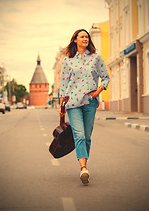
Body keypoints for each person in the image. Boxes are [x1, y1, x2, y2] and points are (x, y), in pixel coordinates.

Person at [59, 29, 110, 185]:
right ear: (75, 40)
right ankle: (83, 168)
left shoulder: (95, 58)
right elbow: (63, 83)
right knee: (79, 135)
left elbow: (105, 77)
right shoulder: (68, 61)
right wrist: (61, 105)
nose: (85, 38)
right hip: (73, 103)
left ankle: (84, 165)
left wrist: (99, 90)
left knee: (87, 137)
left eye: (86, 36)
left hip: (90, 102)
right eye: (82, 36)